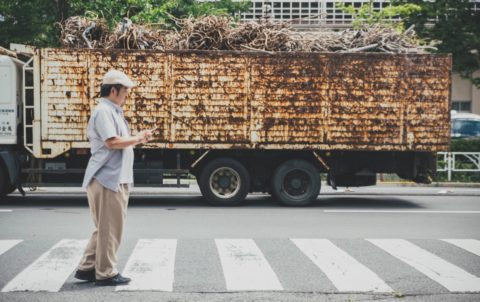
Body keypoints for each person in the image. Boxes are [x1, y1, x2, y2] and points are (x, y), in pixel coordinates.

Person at [74, 70, 154, 286]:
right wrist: (137, 138)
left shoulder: (113, 111)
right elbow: (112, 142)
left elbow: (119, 140)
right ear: (113, 90)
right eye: (125, 90)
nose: (127, 94)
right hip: (108, 178)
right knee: (110, 229)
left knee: (104, 227)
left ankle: (87, 267)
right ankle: (106, 272)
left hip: (114, 177)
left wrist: (138, 138)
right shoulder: (103, 111)